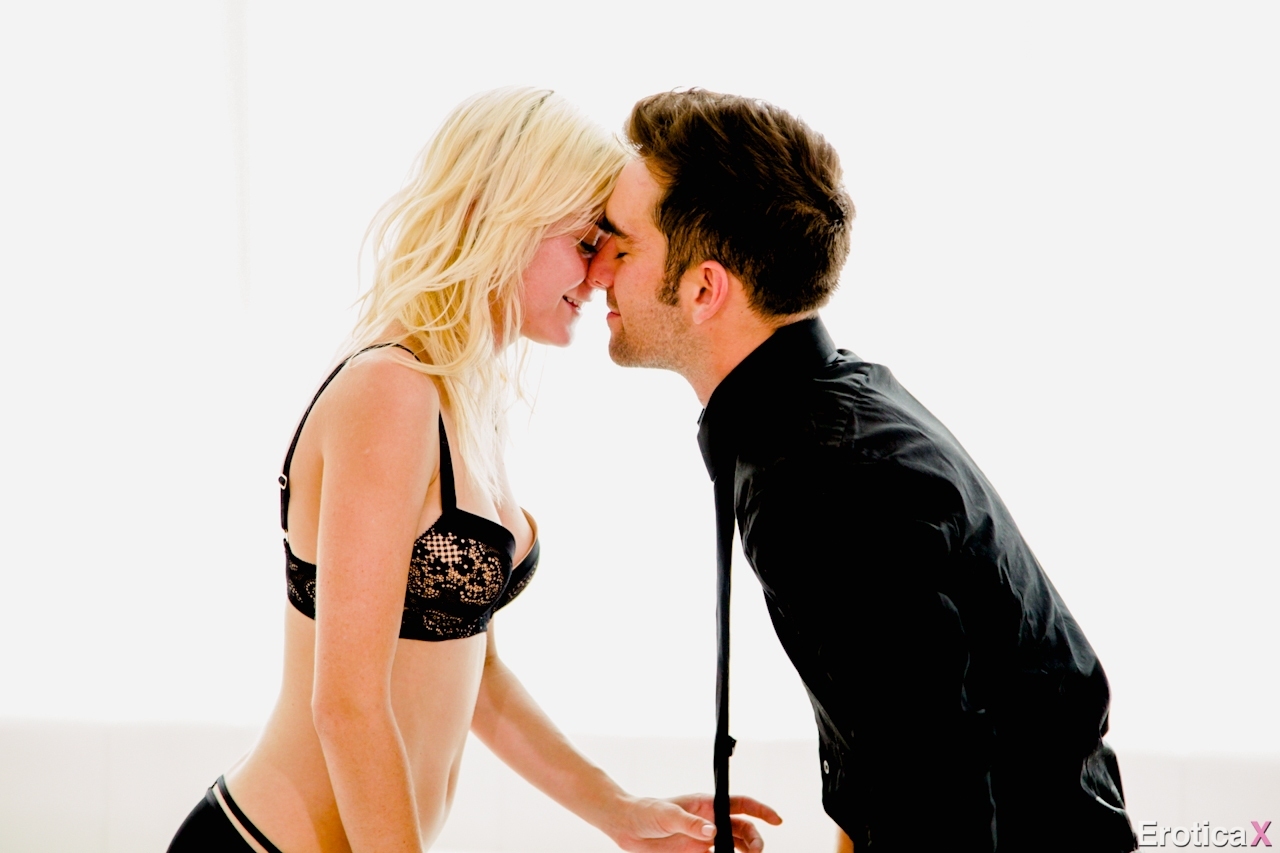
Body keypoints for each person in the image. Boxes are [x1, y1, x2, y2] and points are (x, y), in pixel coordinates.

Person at [167, 87, 779, 853]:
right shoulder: (389, 390)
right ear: (507, 218)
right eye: (586, 240)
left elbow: (474, 676)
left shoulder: (459, 397)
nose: (599, 275)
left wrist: (621, 811)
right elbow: (347, 705)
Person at [587, 89, 1139, 853]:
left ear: (704, 288)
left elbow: (938, 807)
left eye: (619, 246)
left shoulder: (816, 480)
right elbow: (896, 754)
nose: (595, 269)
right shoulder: (832, 408)